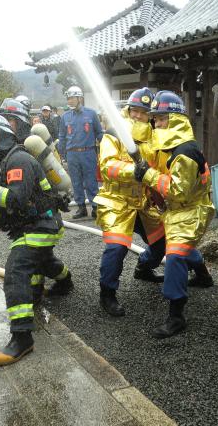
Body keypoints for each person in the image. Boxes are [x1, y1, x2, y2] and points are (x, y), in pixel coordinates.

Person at [0, 112, 73, 366]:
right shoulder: (3, 162)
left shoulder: (18, 159)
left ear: (2, 135)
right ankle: (64, 281)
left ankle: (22, 338)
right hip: (31, 225)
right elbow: (7, 200)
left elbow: (16, 199)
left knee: (16, 270)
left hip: (41, 225)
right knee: (40, 260)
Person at [133, 91, 215, 338]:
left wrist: (147, 175)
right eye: (155, 119)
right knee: (180, 247)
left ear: (175, 119)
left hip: (191, 210)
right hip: (176, 209)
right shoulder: (168, 145)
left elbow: (178, 190)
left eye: (161, 119)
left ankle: (176, 315)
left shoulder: (185, 152)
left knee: (176, 255)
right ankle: (203, 276)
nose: (156, 124)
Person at [94, 88, 166, 316]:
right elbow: (107, 166)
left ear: (151, 115)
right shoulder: (113, 134)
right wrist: (134, 170)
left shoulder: (155, 139)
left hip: (144, 202)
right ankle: (107, 294)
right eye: (134, 111)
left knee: (161, 243)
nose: (137, 116)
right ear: (128, 110)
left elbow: (162, 167)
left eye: (143, 113)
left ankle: (144, 268)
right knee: (117, 248)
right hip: (117, 201)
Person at [57, 86, 103, 219]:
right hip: (72, 154)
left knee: (91, 181)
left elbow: (99, 133)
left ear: (79, 98)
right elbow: (62, 136)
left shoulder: (91, 114)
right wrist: (63, 154)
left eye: (72, 98)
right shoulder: (65, 117)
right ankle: (81, 208)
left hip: (88, 152)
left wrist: (106, 149)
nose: (69, 101)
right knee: (76, 182)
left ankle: (95, 207)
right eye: (68, 98)